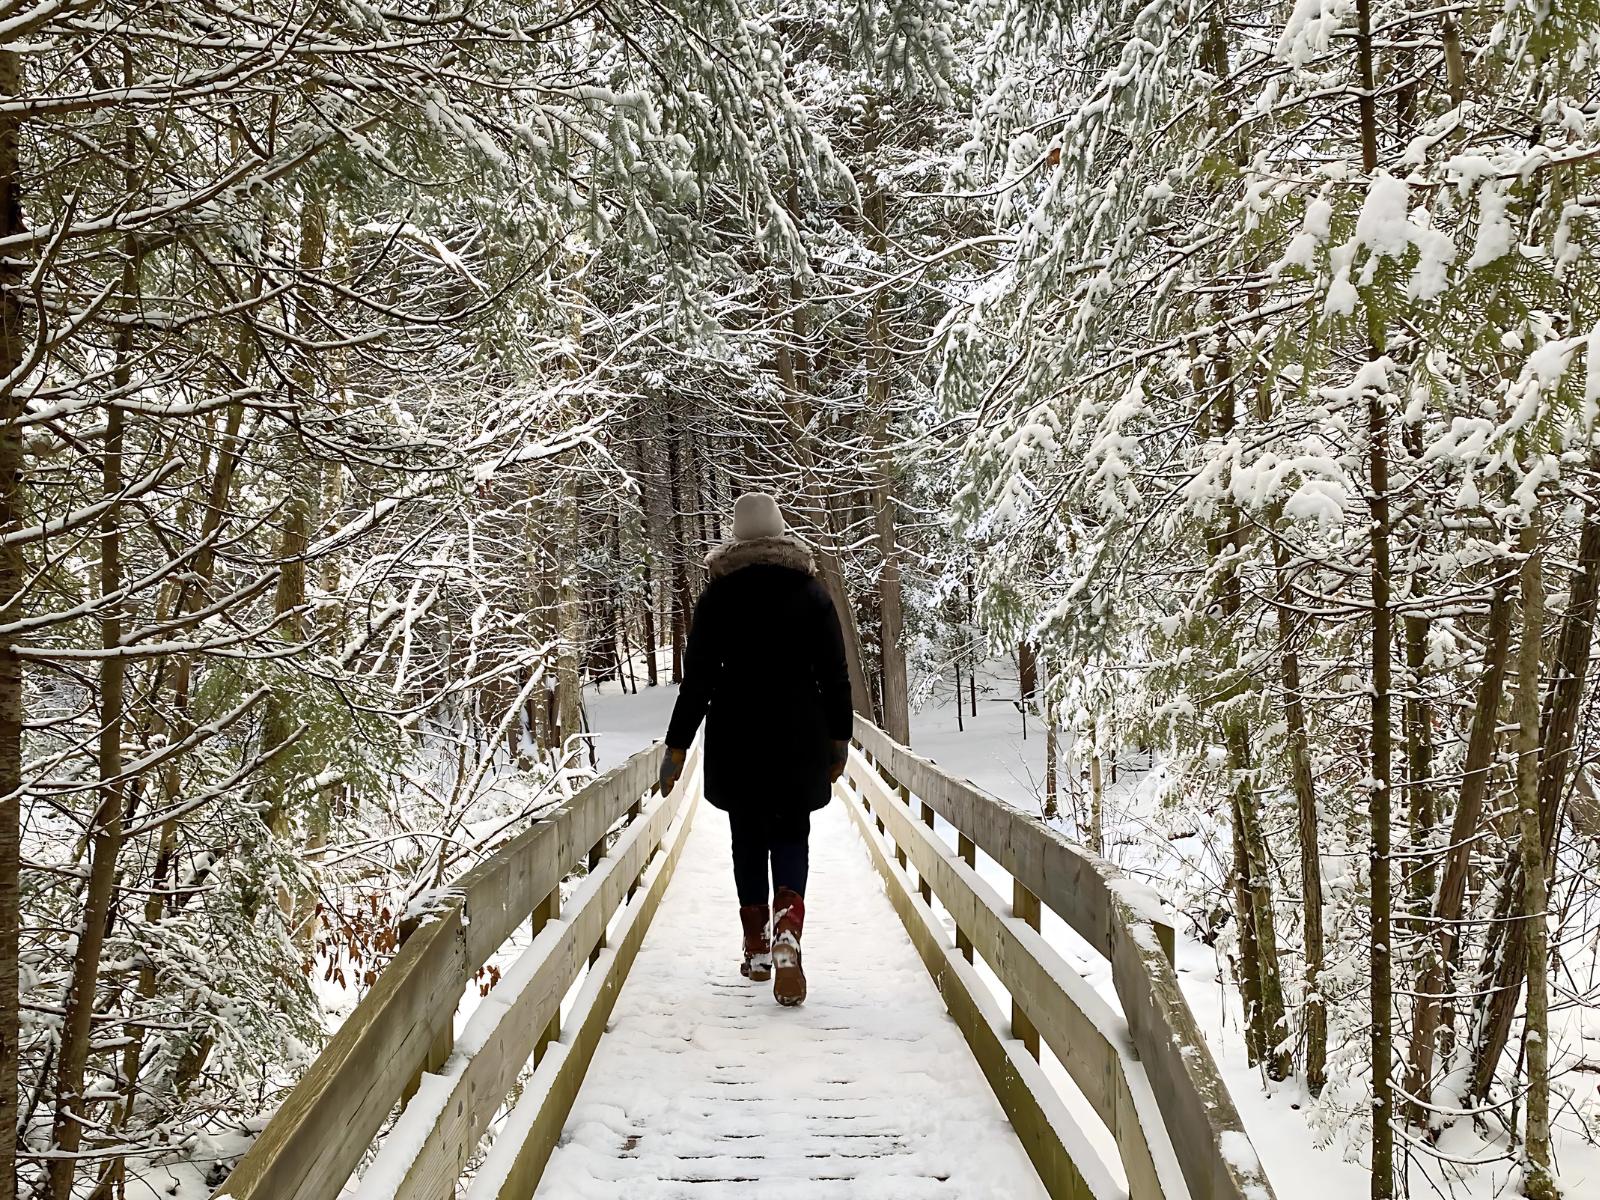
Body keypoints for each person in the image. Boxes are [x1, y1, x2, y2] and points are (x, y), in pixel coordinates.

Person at [657, 492, 852, 1006]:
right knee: (791, 832)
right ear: (781, 531)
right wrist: (839, 738)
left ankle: (757, 945)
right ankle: (789, 932)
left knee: (747, 838)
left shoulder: (718, 597)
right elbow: (835, 674)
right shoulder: (811, 593)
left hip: (737, 738)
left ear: (738, 539)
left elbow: (696, 681)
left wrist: (677, 746)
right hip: (799, 737)